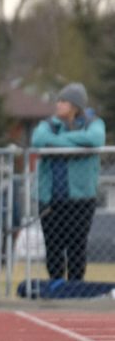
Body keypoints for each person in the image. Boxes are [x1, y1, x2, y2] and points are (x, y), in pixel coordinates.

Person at [31, 82, 105, 281]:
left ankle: (75, 287)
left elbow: (95, 139)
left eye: (63, 101)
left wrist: (56, 142)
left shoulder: (93, 123)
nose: (58, 105)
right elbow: (38, 139)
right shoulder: (48, 124)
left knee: (77, 245)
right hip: (51, 199)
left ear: (74, 105)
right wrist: (75, 143)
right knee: (53, 246)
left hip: (81, 199)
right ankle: (56, 286)